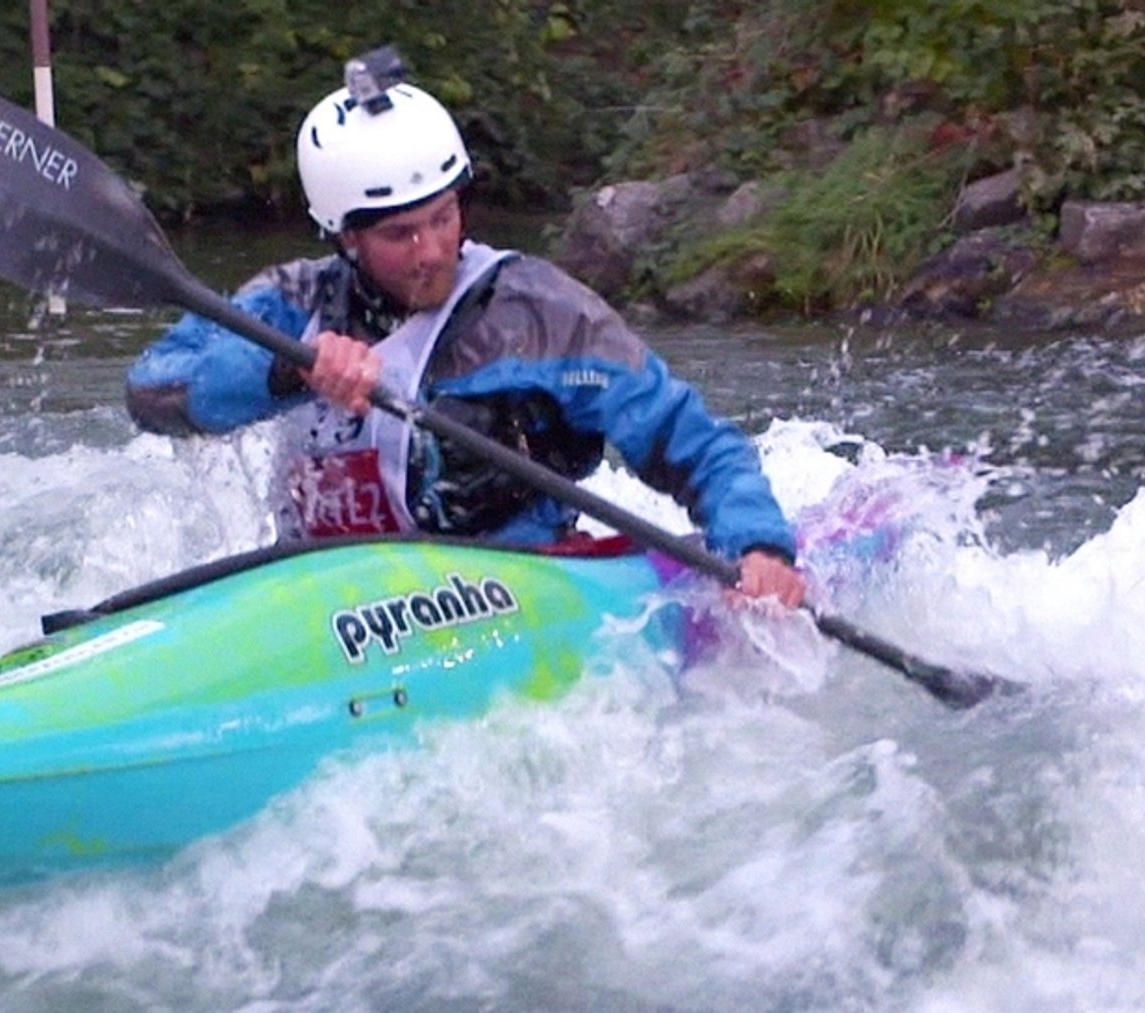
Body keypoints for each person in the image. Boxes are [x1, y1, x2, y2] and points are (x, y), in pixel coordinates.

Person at [125, 47, 806, 608]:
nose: (430, 250)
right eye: (399, 233)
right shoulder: (289, 302)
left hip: (505, 597)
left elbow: (689, 439)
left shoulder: (542, 316)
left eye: (443, 217)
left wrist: (759, 546)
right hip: (318, 602)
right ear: (346, 239)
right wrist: (285, 370)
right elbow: (155, 394)